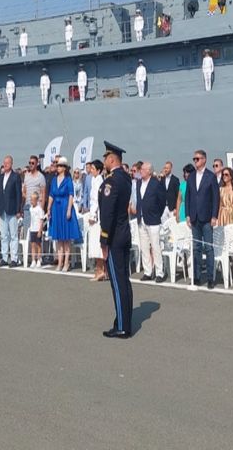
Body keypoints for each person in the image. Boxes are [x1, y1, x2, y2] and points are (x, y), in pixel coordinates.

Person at [99, 142, 133, 338]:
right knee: (124, 281)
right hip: (124, 232)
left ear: (112, 159)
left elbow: (107, 213)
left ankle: (122, 325)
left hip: (114, 236)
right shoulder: (126, 178)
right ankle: (124, 318)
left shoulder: (111, 182)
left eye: (106, 158)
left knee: (118, 283)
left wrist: (104, 240)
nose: (104, 161)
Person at [185, 149, 220, 288]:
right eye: (194, 159)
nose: (195, 161)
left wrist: (214, 216)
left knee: (209, 248)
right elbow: (188, 196)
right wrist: (187, 214)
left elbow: (216, 198)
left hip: (206, 218)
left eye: (197, 159)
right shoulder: (192, 176)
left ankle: (211, 278)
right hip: (194, 217)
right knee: (196, 248)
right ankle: (197, 276)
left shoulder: (210, 177)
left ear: (204, 160)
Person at [48, 157, 81, 271]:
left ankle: (66, 263)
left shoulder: (68, 180)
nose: (59, 167)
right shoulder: (54, 180)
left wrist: (69, 209)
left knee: (66, 238)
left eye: (61, 166)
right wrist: (48, 208)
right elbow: (51, 194)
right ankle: (60, 262)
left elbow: (71, 195)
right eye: (58, 166)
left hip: (65, 206)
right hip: (56, 208)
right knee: (58, 238)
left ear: (65, 168)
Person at [135, 162, 166, 282]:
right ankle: (148, 271)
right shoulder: (138, 183)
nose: (140, 171)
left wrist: (156, 213)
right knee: (144, 247)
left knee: (155, 247)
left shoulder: (155, 183)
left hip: (153, 219)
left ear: (149, 171)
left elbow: (162, 201)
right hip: (141, 218)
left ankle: (159, 272)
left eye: (142, 169)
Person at [0, 155, 24, 267]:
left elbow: (18, 195)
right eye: (4, 162)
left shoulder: (16, 177)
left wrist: (18, 210)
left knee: (14, 235)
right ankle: (4, 258)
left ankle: (14, 259)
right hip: (2, 210)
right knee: (4, 236)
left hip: (12, 210)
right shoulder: (1, 177)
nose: (5, 164)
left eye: (7, 163)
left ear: (11, 164)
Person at [84, 160, 106, 279]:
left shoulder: (99, 181)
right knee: (94, 244)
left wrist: (93, 216)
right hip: (94, 213)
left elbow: (97, 201)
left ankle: (101, 270)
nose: (91, 170)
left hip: (97, 217)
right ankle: (99, 270)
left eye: (93, 168)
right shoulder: (93, 180)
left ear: (98, 170)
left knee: (97, 244)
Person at [28, 191, 46, 268]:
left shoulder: (39, 209)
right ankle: (33, 260)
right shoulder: (30, 209)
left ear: (37, 200)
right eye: (31, 200)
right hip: (32, 229)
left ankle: (39, 259)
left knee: (38, 245)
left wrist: (40, 230)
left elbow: (41, 221)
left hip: (37, 230)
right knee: (32, 245)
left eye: (33, 200)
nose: (31, 201)